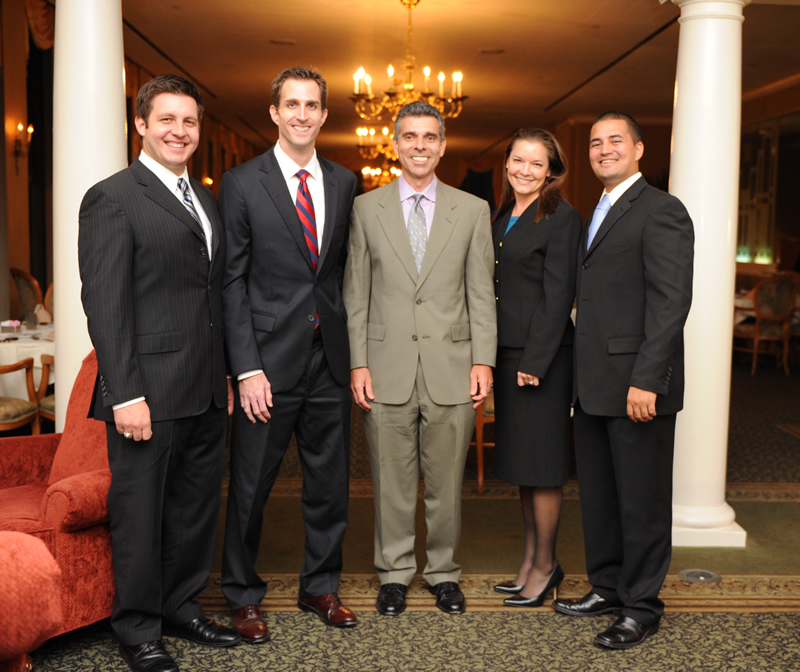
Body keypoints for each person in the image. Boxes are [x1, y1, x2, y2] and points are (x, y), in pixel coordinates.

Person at [79, 74, 240, 672]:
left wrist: (224, 373)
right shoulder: (112, 197)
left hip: (203, 387)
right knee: (141, 512)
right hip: (145, 391)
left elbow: (210, 292)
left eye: (190, 121)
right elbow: (106, 303)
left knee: (195, 508)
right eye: (166, 119)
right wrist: (125, 394)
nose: (180, 130)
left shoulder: (204, 197)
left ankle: (182, 606)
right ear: (140, 125)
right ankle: (139, 629)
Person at [343, 101, 497, 617]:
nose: (419, 146)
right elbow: (355, 293)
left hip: (452, 365)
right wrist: (358, 363)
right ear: (395, 143)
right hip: (383, 366)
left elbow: (481, 292)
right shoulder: (366, 209)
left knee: (446, 480)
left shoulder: (472, 210)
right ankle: (393, 572)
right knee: (391, 478)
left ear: (443, 145)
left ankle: (444, 572)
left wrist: (484, 360)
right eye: (409, 137)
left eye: (430, 137)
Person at [220, 67, 358, 638]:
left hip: (329, 358)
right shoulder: (241, 182)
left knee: (330, 485)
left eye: (312, 105)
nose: (302, 114)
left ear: (325, 115)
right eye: (291, 104)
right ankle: (242, 594)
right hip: (266, 365)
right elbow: (231, 280)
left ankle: (321, 586)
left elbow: (340, 272)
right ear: (274, 112)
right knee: (251, 485)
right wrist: (246, 368)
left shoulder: (346, 182)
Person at [552, 112, 694, 649]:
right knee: (601, 497)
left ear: (637, 149)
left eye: (616, 141)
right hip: (592, 387)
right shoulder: (598, 210)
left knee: (642, 501)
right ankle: (608, 586)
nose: (604, 149)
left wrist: (648, 380)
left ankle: (641, 606)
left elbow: (669, 303)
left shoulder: (663, 210)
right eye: (595, 143)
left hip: (637, 387)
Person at [489, 129, 581, 608]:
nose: (525, 170)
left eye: (536, 163)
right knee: (525, 466)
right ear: (507, 164)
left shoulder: (562, 217)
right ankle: (531, 561)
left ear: (552, 171)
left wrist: (535, 361)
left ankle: (545, 566)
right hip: (509, 353)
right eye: (517, 160)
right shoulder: (505, 212)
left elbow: (559, 292)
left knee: (543, 468)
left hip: (540, 359)